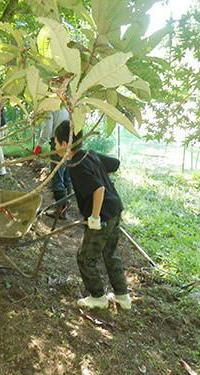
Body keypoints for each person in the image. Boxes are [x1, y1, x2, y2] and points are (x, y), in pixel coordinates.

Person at [54, 120, 131, 310]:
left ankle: (97, 297)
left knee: (85, 257)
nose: (54, 147)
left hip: (103, 215)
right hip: (115, 208)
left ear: (65, 143)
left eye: (55, 142)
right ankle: (122, 296)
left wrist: (95, 217)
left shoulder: (76, 165)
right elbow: (114, 164)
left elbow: (98, 189)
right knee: (110, 253)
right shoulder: (89, 153)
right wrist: (99, 172)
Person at [33, 108, 72, 219]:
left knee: (57, 177)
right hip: (70, 143)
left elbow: (47, 129)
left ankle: (60, 210)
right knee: (66, 177)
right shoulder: (66, 106)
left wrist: (39, 145)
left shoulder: (50, 107)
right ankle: (65, 209)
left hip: (59, 143)